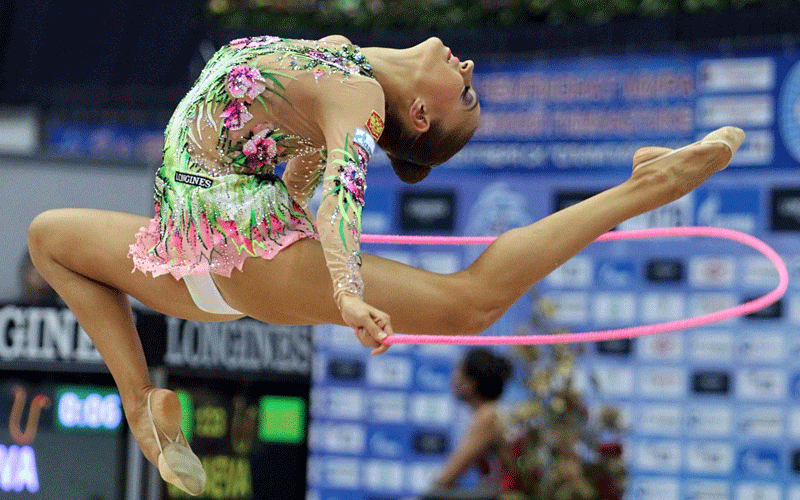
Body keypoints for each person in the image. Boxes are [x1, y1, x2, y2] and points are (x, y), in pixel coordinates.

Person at [25, 33, 744, 496]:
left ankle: (647, 188)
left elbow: (339, 194)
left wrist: (344, 288)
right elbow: (304, 174)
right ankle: (142, 414)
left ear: (420, 118)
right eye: (471, 86)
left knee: (472, 304)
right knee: (48, 237)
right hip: (182, 255)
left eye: (464, 92)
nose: (468, 67)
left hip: (234, 251)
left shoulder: (362, 100)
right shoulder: (337, 51)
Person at [424, 348, 513, 499]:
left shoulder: (488, 417)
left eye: (458, 371)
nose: (452, 378)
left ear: (471, 383)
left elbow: (447, 477)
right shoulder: (492, 412)